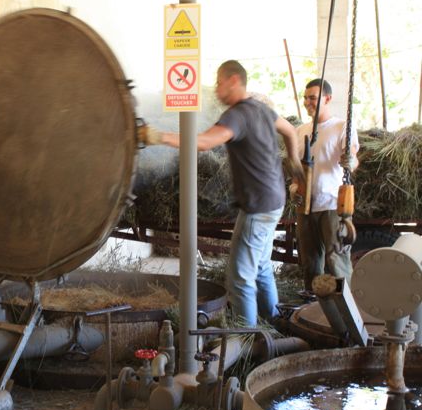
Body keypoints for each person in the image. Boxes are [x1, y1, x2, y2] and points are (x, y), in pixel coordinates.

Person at [141, 60, 303, 326]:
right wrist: (294, 162)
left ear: (234, 81)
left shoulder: (237, 115)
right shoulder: (262, 109)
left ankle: (246, 337)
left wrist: (157, 137)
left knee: (240, 276)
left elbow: (204, 143)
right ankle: (273, 321)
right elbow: (289, 131)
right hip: (274, 200)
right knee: (261, 266)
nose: (216, 88)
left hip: (258, 205)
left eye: (219, 81)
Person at [290, 78, 359, 291]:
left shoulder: (341, 127)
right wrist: (293, 187)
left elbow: (353, 157)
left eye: (312, 98)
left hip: (331, 205)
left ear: (327, 99)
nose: (307, 102)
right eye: (305, 98)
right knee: (310, 262)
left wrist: (351, 162)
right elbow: (297, 167)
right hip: (306, 205)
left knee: (336, 260)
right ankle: (312, 305)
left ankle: (350, 308)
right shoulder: (301, 131)